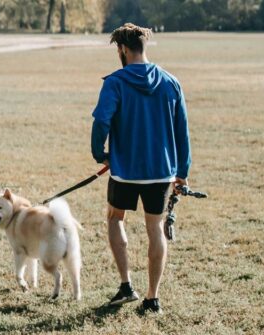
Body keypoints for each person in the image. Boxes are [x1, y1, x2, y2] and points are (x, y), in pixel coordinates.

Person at [90, 23, 191, 314]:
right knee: (155, 228)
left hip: (124, 170)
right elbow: (182, 132)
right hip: (161, 172)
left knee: (114, 218)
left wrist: (101, 154)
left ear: (122, 49)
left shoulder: (115, 82)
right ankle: (152, 298)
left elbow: (101, 122)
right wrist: (182, 171)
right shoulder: (171, 82)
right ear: (142, 47)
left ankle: (125, 285)